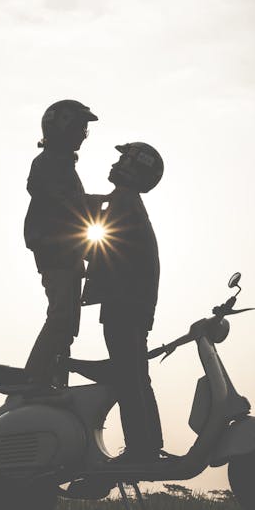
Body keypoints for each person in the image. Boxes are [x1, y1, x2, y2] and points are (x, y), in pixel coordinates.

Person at [82, 142, 165, 463]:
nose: (117, 163)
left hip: (123, 304)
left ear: (135, 168)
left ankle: (140, 450)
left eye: (123, 159)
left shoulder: (123, 202)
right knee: (136, 375)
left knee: (127, 376)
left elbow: (101, 246)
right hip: (135, 304)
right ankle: (149, 445)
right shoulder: (127, 202)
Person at [24, 99, 102, 389]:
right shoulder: (50, 164)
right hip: (56, 251)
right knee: (61, 317)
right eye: (80, 127)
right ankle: (34, 377)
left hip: (66, 252)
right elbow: (65, 203)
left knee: (67, 324)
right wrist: (102, 203)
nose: (83, 134)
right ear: (63, 127)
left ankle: (54, 380)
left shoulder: (60, 164)